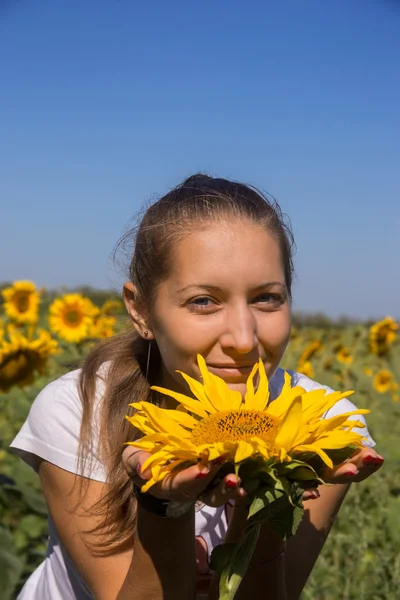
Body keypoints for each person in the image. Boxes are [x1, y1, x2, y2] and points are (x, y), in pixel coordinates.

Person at [10, 174, 383, 600]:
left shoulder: (321, 425)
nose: (243, 339)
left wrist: (270, 494)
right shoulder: (79, 410)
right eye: (204, 301)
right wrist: (163, 506)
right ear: (141, 311)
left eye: (266, 298)